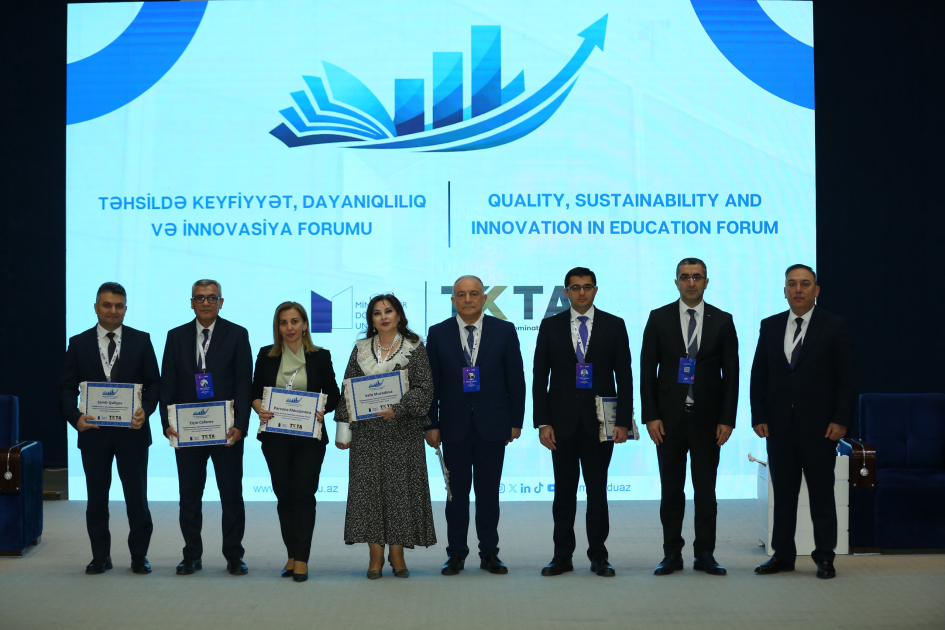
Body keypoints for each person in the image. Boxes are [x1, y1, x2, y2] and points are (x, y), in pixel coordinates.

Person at [750, 264, 854, 579]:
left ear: (816, 290)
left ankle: (825, 557)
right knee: (783, 495)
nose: (798, 289)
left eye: (805, 284)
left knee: (822, 495)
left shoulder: (834, 326)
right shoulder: (770, 326)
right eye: (792, 284)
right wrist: (759, 415)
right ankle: (782, 555)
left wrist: (841, 420)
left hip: (821, 428)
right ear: (784, 290)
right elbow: (759, 374)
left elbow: (846, 379)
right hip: (778, 426)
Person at [640, 258, 738, 576]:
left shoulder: (722, 320)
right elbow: (646, 370)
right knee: (671, 490)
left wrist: (727, 419)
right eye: (685, 277)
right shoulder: (659, 318)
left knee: (705, 490)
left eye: (697, 277)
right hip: (668, 421)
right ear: (676, 282)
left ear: (706, 282)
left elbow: (732, 375)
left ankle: (705, 553)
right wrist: (650, 416)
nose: (691, 282)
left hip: (708, 421)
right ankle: (671, 553)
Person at [533, 267, 633, 577]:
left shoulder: (614, 325)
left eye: (587, 287)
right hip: (560, 423)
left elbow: (625, 375)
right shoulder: (550, 326)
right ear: (566, 292)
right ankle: (561, 556)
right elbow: (539, 376)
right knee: (563, 493)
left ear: (595, 290)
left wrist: (623, 421)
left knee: (597, 491)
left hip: (600, 423)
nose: (581, 292)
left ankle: (599, 555)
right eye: (575, 287)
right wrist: (542, 422)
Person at [425, 275, 526, 576]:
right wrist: (431, 423)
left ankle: (489, 553)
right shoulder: (438, 333)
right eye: (461, 294)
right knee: (456, 495)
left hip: (493, 425)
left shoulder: (504, 330)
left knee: (488, 494)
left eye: (473, 294)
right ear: (453, 300)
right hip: (453, 426)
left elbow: (516, 379)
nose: (467, 299)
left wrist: (515, 421)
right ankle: (456, 554)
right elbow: (431, 385)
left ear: (484, 298)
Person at [59, 282, 160, 574]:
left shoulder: (142, 340)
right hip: (93, 433)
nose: (113, 311)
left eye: (118, 306)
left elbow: (154, 383)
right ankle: (100, 556)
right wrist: (75, 417)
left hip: (133, 432)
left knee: (137, 499)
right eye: (107, 305)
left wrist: (146, 411)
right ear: (96, 307)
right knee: (96, 499)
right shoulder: (78, 343)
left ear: (125, 309)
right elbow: (66, 387)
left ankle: (139, 556)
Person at [334, 293, 436, 579]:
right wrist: (343, 430)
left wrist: (398, 409)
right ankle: (375, 555)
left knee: (400, 494)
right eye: (377, 313)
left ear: (399, 315)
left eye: (388, 311)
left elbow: (424, 388)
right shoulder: (361, 349)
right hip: (367, 435)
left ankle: (397, 553)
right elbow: (348, 388)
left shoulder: (415, 348)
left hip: (403, 434)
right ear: (371, 320)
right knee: (369, 495)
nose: (383, 317)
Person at [160, 279, 253, 576]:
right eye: (200, 298)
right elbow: (167, 382)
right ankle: (191, 555)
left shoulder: (237, 334)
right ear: (191, 303)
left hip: (227, 432)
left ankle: (234, 555)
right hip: (187, 431)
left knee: (231, 496)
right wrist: (167, 423)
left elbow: (244, 382)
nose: (206, 302)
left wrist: (241, 425)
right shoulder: (175, 336)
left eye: (212, 297)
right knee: (189, 496)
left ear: (221, 302)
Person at [251, 302, 340, 583]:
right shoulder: (265, 355)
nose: (289, 327)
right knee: (284, 496)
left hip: (309, 438)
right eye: (283, 322)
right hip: (275, 437)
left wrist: (322, 409)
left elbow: (334, 394)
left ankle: (301, 558)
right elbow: (254, 392)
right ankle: (291, 553)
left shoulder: (320, 356)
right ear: (277, 327)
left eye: (294, 321)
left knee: (302, 494)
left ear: (304, 325)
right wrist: (259, 408)